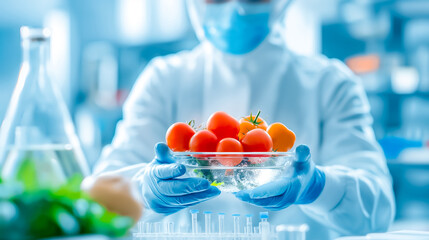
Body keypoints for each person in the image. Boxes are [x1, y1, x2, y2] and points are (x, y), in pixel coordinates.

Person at [93, 0, 395, 239]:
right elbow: (96, 203)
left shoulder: (331, 84)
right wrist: (144, 190)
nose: (235, 8)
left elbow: (378, 211)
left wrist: (318, 186)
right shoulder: (162, 81)